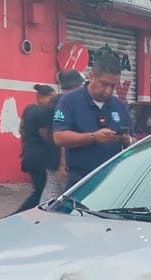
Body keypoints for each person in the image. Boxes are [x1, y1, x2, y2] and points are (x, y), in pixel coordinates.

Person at [52, 54, 133, 187]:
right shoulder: (69, 101)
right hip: (80, 178)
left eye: (113, 86)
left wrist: (127, 140)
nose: (108, 91)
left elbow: (132, 138)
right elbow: (59, 137)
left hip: (112, 178)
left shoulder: (119, 105)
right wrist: (93, 137)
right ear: (91, 76)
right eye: (104, 84)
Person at [39, 70, 86, 204]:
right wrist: (63, 163)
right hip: (64, 161)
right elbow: (65, 137)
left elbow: (43, 130)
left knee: (51, 192)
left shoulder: (53, 101)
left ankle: (43, 214)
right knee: (66, 196)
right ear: (76, 85)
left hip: (50, 156)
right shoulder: (72, 103)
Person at [16, 84, 56, 212]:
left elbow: (21, 129)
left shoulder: (29, 109)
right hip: (40, 157)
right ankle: (18, 215)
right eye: (50, 97)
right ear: (41, 97)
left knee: (41, 190)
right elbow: (45, 135)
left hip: (29, 154)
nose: (52, 101)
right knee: (41, 191)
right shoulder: (42, 112)